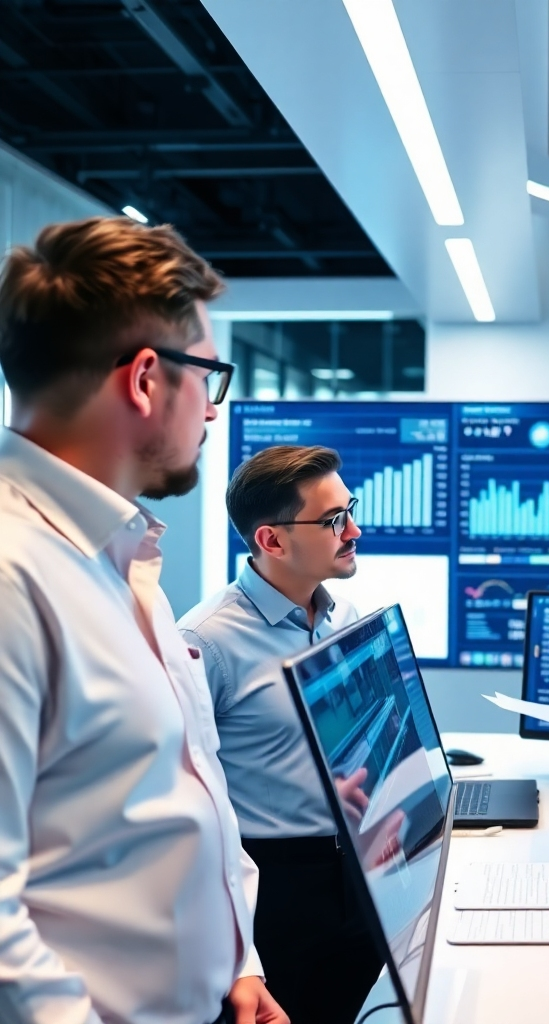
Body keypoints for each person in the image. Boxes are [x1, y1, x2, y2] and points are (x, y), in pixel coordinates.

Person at [0, 216, 286, 1024]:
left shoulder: (123, 558)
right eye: (210, 378)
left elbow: (183, 788)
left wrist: (236, 961)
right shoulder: (14, 574)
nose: (214, 411)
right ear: (148, 379)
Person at [178, 444, 382, 1024]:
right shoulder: (204, 643)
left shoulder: (342, 617)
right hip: (276, 894)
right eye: (334, 520)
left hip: (356, 872)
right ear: (271, 540)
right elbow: (188, 802)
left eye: (350, 510)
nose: (354, 529)